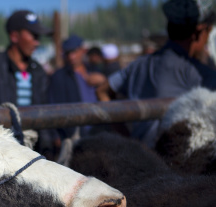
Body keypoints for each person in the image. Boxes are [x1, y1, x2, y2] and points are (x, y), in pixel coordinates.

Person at [100, 0, 216, 146]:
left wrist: (127, 139)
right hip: (176, 162)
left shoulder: (139, 64)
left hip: (140, 159)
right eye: (209, 32)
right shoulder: (201, 75)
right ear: (199, 31)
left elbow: (102, 91)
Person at [0, 10, 52, 108]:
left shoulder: (38, 71)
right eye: (34, 36)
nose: (37, 42)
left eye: (38, 37)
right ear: (14, 36)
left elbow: (43, 110)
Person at [47, 35, 106, 138]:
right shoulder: (59, 77)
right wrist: (56, 136)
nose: (71, 57)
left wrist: (104, 81)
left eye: (74, 52)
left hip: (97, 130)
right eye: (68, 53)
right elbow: (53, 106)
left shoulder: (94, 70)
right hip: (74, 133)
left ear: (82, 51)